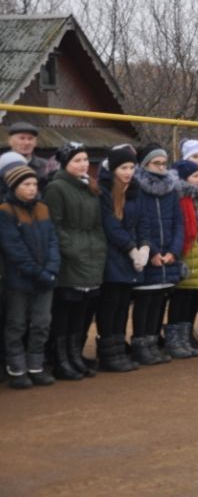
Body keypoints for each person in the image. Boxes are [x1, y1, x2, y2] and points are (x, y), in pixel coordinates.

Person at [45, 142, 106, 380]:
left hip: (92, 256)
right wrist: (71, 249)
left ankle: (75, 356)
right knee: (65, 311)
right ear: (65, 163)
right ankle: (61, 361)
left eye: (85, 160)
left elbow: (97, 225)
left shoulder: (90, 186)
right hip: (71, 260)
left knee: (82, 312)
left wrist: (99, 249)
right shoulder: (56, 188)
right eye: (77, 160)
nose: (83, 165)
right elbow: (54, 225)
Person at [0, 166, 59, 389]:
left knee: (42, 323)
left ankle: (36, 366)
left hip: (46, 279)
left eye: (34, 184)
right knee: (16, 324)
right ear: (14, 186)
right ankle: (17, 369)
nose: (32, 189)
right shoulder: (5, 211)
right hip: (19, 280)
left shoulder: (43, 208)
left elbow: (53, 241)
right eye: (26, 184)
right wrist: (39, 273)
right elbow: (14, 249)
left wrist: (52, 269)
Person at [134, 144, 185, 365]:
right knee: (145, 301)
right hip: (148, 255)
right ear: (145, 164)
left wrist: (174, 251)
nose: (162, 167)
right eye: (156, 163)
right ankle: (140, 344)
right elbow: (138, 223)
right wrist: (152, 250)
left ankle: (153, 343)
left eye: (164, 163)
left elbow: (178, 222)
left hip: (168, 256)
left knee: (158, 301)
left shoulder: (171, 189)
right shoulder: (137, 188)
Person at [96, 146, 143, 372]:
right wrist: (131, 248)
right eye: (124, 167)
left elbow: (142, 222)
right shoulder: (103, 191)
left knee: (124, 304)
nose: (128, 172)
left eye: (132, 167)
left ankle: (118, 351)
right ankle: (107, 354)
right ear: (114, 168)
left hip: (130, 257)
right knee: (110, 304)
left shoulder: (134, 190)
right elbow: (110, 226)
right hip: (113, 255)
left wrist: (145, 246)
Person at [161, 160, 198, 359]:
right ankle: (174, 338)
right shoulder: (180, 198)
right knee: (180, 298)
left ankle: (184, 336)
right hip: (183, 253)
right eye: (194, 176)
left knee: (191, 298)